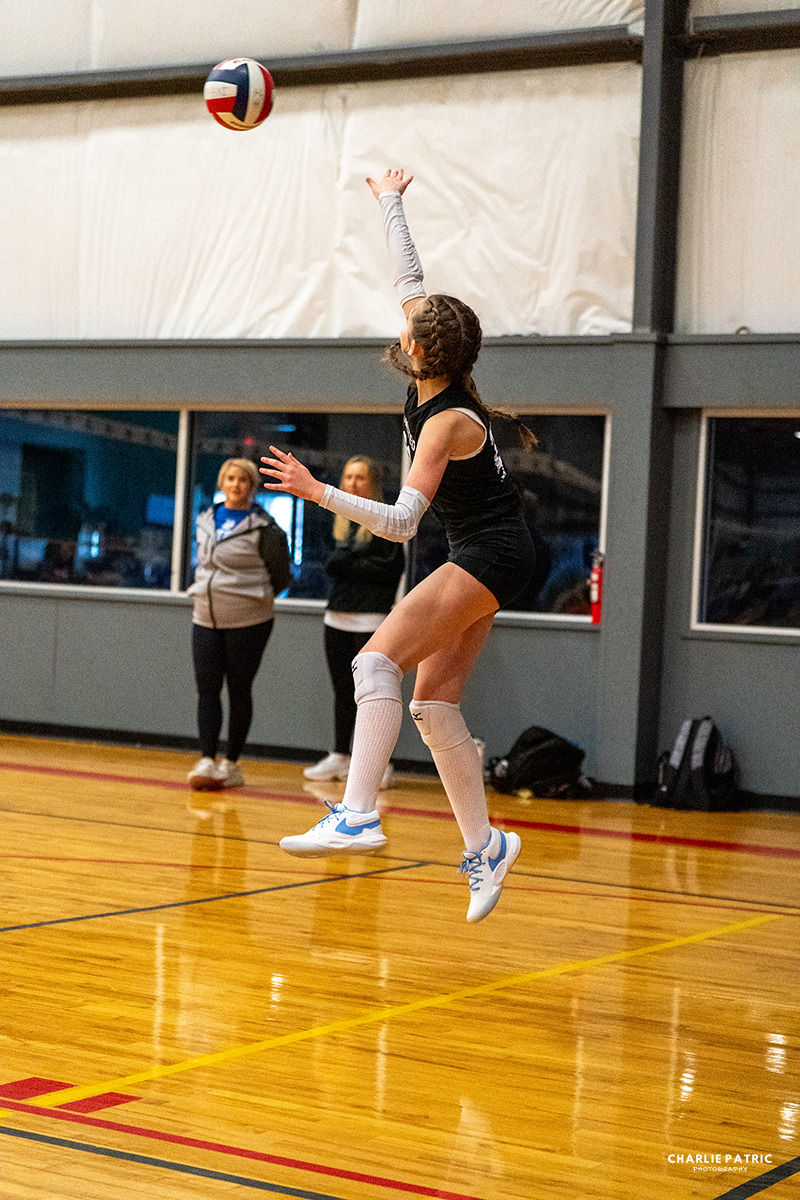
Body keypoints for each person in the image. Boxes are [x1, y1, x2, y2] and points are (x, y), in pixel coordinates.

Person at [260, 169, 536, 922]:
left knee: (374, 659)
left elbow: (406, 521)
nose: (402, 324)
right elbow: (408, 273)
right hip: (490, 549)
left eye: (407, 324)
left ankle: (356, 813)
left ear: (418, 346)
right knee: (434, 705)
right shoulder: (430, 359)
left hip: (492, 549)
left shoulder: (448, 420)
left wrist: (319, 494)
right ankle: (486, 848)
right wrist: (389, 198)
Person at [187, 458, 291, 790]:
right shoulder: (204, 519)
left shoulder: (266, 529)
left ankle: (231, 763)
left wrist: (252, 598)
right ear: (221, 483)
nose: (236, 484)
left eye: (244, 479)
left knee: (239, 689)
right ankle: (206, 758)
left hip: (249, 620)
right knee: (207, 689)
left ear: (252, 486)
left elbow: (281, 576)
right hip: (204, 617)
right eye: (230, 478)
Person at [304, 455, 406, 788]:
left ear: (373, 482)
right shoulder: (336, 522)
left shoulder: (385, 520)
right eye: (348, 477)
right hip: (337, 617)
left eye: (360, 477)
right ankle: (339, 755)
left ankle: (380, 764)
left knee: (373, 694)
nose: (353, 483)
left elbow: (389, 570)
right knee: (342, 691)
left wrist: (349, 562)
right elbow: (330, 564)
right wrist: (355, 561)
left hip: (372, 619)